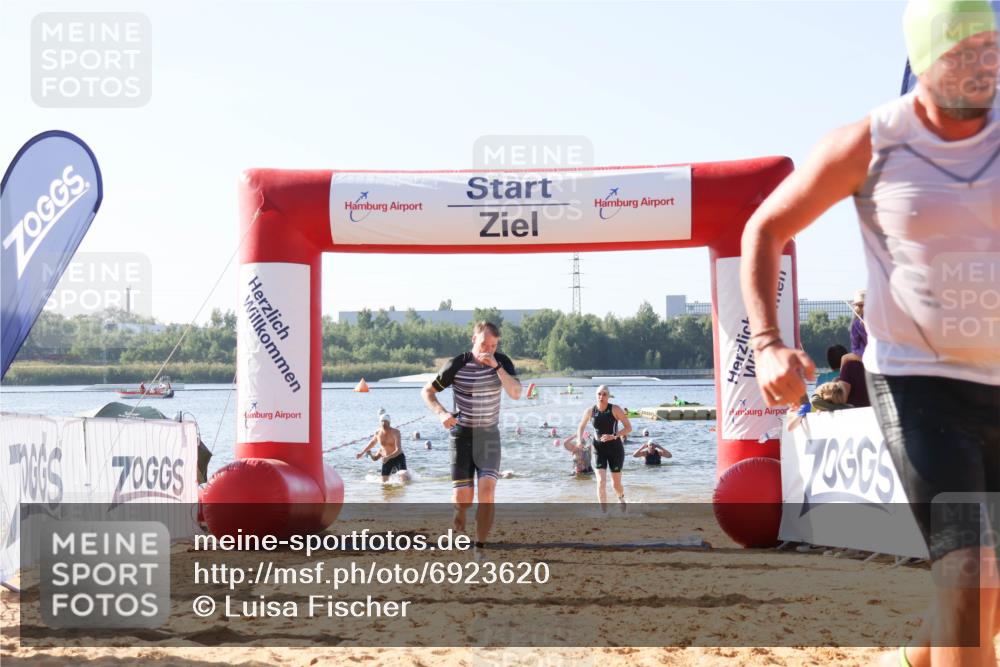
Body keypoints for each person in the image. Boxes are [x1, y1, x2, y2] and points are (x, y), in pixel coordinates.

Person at [740, 3, 999, 664]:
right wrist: (768, 342)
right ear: (924, 62)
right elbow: (765, 229)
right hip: (920, 385)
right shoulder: (870, 143)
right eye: (965, 56)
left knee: (983, 601)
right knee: (969, 581)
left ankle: (908, 660)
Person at [421, 321, 521, 558]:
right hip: (462, 436)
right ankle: (460, 513)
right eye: (485, 344)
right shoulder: (457, 364)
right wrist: (442, 413)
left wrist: (497, 367)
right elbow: (427, 391)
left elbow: (516, 393)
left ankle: (481, 547)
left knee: (487, 490)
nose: (489, 349)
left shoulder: (502, 362)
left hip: (488, 436)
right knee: (463, 499)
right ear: (473, 339)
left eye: (494, 345)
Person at [575, 385, 632, 511]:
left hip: (615, 449)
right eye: (599, 394)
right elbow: (581, 426)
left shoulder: (615, 409)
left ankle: (621, 498)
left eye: (604, 394)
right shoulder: (590, 411)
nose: (601, 396)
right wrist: (579, 440)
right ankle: (604, 512)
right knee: (601, 481)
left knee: (616, 484)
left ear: (608, 396)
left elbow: (628, 427)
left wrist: (614, 436)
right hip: (598, 449)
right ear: (596, 395)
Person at [356, 413, 409, 483]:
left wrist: (388, 457)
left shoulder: (396, 432)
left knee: (404, 481)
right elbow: (372, 443)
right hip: (386, 459)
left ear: (389, 422)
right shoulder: (378, 433)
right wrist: (361, 453)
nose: (384, 423)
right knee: (384, 483)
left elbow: (398, 450)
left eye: (386, 422)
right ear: (380, 423)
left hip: (398, 457)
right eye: (382, 422)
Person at [850, 289, 868, 358]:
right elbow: (855, 348)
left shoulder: (879, 318)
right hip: (865, 355)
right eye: (860, 305)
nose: (862, 308)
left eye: (863, 305)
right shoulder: (856, 324)